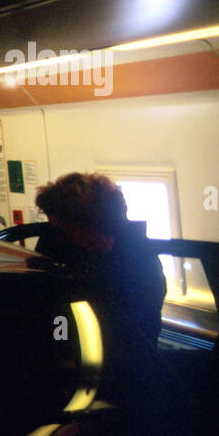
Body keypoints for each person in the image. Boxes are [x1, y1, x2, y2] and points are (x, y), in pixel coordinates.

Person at [33, 172, 168, 418]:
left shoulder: (138, 260)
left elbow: (137, 332)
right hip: (69, 364)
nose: (59, 235)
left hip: (123, 374)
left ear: (87, 225)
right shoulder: (60, 244)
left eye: (64, 229)